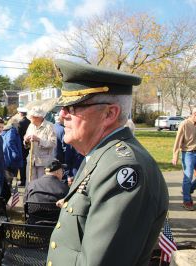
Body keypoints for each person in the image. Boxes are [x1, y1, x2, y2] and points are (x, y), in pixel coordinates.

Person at [47, 60, 168, 266]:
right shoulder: (101, 155)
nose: (62, 115)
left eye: (73, 107)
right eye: (63, 107)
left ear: (109, 114)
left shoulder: (123, 168)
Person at [23, 106, 56, 183]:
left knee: (42, 184)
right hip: (31, 160)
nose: (30, 118)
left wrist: (39, 140)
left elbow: (53, 143)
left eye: (31, 117)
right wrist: (26, 141)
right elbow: (26, 142)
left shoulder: (49, 126)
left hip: (44, 162)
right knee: (30, 183)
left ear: (38, 117)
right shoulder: (30, 126)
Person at [172, 108, 196, 211]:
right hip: (188, 153)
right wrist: (175, 154)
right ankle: (187, 201)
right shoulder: (185, 124)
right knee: (188, 177)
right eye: (195, 113)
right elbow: (178, 140)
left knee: (188, 183)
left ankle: (188, 189)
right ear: (192, 114)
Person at [0, 118, 23, 203]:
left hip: (6, 159)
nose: (19, 125)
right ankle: (4, 203)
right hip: (11, 160)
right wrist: (15, 154)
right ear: (15, 124)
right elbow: (10, 142)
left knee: (7, 182)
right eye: (18, 123)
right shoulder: (12, 130)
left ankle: (4, 202)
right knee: (8, 182)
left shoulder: (5, 130)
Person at [17, 107, 30, 186]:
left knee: (22, 164)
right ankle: (27, 179)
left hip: (21, 146)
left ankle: (23, 180)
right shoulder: (29, 122)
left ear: (21, 113)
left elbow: (18, 135)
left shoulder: (20, 123)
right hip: (28, 146)